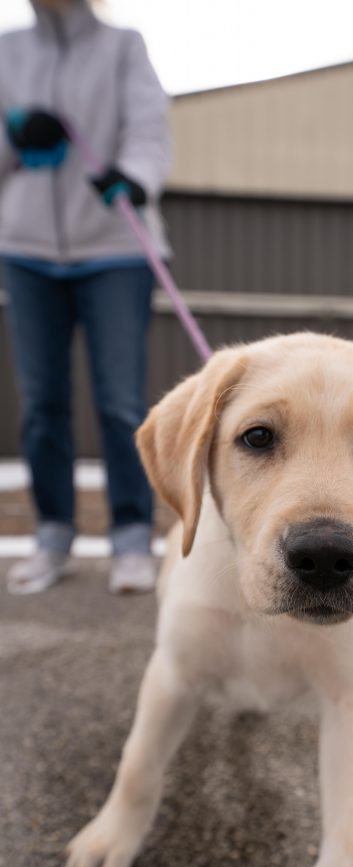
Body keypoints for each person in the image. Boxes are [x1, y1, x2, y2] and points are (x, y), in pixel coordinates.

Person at [0, 0, 171, 594]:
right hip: (26, 249)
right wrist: (15, 134)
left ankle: (131, 537)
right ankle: (52, 534)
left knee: (120, 401)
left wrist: (132, 176)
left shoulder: (123, 46)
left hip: (116, 248)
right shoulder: (8, 52)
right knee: (42, 401)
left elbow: (149, 129)